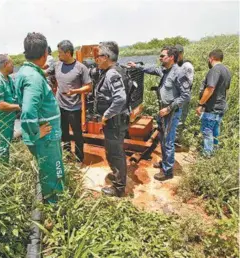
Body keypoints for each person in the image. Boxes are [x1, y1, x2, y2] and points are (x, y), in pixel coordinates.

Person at [15, 32, 65, 204]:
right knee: (55, 172)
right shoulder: (34, 77)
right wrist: (37, 132)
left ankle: (51, 199)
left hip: (45, 137)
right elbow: (28, 113)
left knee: (47, 170)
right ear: (45, 53)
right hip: (47, 138)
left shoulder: (25, 71)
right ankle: (56, 205)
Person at [127, 46, 191, 181]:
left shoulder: (179, 73)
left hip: (171, 112)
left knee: (168, 141)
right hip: (163, 111)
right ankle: (165, 162)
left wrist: (168, 108)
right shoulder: (164, 70)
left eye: (163, 56)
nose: (160, 58)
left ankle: (168, 172)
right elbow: (151, 69)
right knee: (162, 139)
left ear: (171, 57)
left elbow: (185, 95)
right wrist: (136, 66)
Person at [46, 40, 92, 163]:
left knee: (77, 135)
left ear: (67, 53)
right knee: (63, 133)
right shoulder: (56, 65)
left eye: (60, 53)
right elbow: (44, 73)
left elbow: (88, 86)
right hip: (60, 106)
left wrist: (75, 91)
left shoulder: (81, 68)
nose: (58, 55)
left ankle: (79, 158)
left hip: (74, 108)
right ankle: (67, 155)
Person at [95, 41, 129, 197]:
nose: (96, 59)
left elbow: (120, 99)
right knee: (114, 151)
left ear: (106, 57)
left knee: (115, 154)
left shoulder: (112, 73)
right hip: (117, 121)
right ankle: (117, 176)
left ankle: (118, 188)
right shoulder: (115, 70)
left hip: (114, 122)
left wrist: (106, 115)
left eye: (98, 56)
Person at [196, 49, 231, 157]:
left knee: (207, 132)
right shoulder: (226, 70)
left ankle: (207, 155)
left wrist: (201, 104)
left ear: (211, 58)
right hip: (221, 107)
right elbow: (226, 90)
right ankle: (215, 154)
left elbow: (210, 88)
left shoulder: (214, 70)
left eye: (208, 58)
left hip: (212, 108)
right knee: (215, 131)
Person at [175, 44, 194, 127]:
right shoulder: (174, 64)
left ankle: (178, 136)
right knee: (175, 119)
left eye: (179, 53)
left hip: (183, 97)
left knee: (180, 119)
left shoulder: (186, 65)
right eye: (175, 53)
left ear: (182, 53)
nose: (177, 55)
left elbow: (189, 83)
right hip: (175, 98)